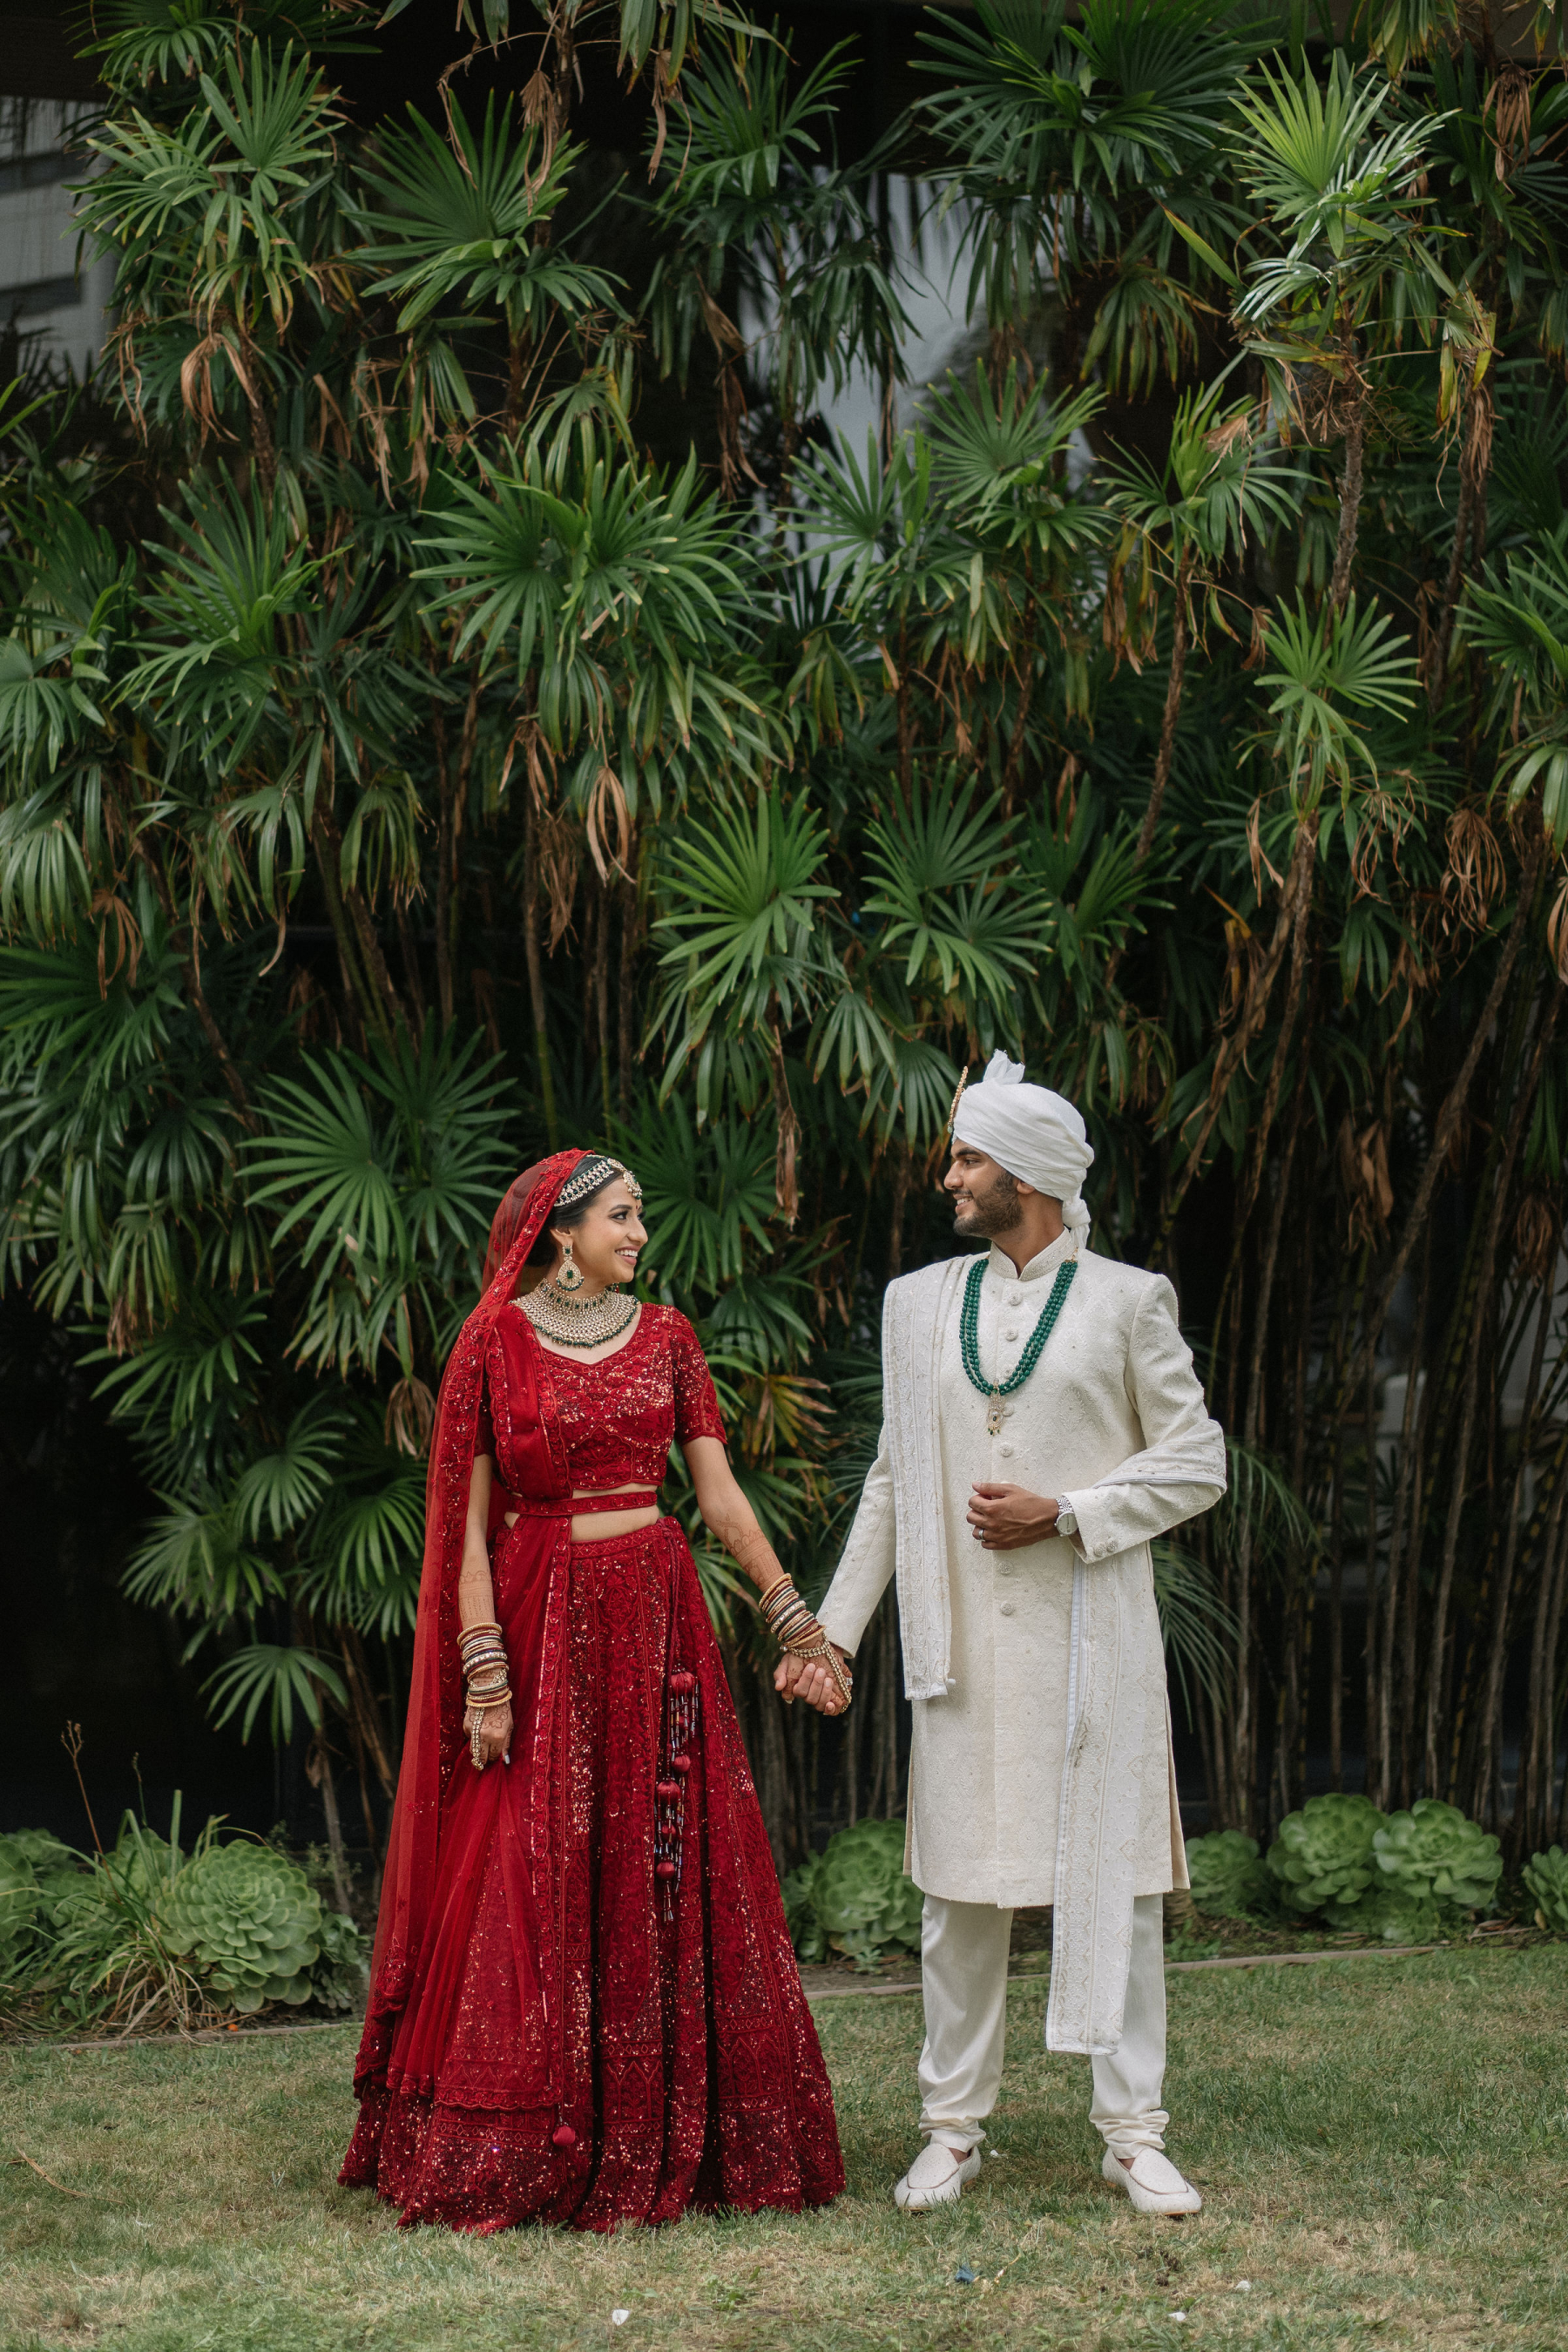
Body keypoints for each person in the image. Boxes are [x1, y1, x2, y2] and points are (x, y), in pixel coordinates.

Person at [341, 1149, 846, 2233]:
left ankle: (672, 2126)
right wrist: (485, 1672)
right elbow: (465, 1532)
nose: (641, 1235)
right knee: (531, 1864)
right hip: (541, 1616)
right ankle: (530, 2130)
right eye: (624, 1216)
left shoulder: (669, 1335)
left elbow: (718, 1498)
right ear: (560, 1231)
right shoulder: (493, 1339)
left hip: (657, 1618)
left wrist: (793, 1616)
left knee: (660, 1854)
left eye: (642, 1217)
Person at [780, 1054, 1227, 2218]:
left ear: (1025, 1177)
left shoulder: (1131, 1300)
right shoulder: (917, 1302)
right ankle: (951, 2130)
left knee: (1115, 1886)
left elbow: (1196, 1464)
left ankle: (1133, 2135)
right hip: (964, 1646)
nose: (949, 1176)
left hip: (1094, 1641)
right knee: (961, 1897)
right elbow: (890, 1479)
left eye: (967, 1157)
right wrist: (833, 1633)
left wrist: (1068, 1515)